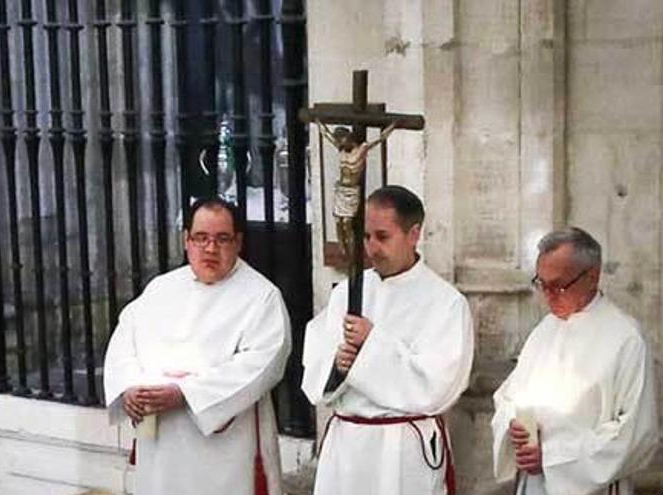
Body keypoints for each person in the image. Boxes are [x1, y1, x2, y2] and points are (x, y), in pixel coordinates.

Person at [103, 197, 291, 495]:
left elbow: (264, 365)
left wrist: (186, 394)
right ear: (186, 240)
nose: (211, 248)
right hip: (162, 446)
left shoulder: (262, 296)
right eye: (201, 238)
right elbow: (123, 343)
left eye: (222, 239)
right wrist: (129, 388)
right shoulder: (160, 289)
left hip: (227, 450)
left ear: (238, 242)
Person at [301, 185, 475, 495]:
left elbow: (438, 386)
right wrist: (337, 367)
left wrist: (371, 344)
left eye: (383, 237)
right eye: (367, 237)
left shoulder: (445, 302)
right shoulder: (346, 292)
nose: (372, 247)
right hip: (347, 448)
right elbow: (316, 367)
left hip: (402, 449)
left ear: (413, 234)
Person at [491, 227, 659, 495]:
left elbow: (637, 434)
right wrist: (513, 424)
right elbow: (509, 397)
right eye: (541, 284)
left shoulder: (625, 338)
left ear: (592, 276)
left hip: (588, 486)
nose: (548, 295)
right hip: (533, 484)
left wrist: (553, 458)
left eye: (558, 286)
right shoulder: (545, 329)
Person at [317, 121, 396, 261]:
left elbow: (379, 139)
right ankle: (343, 249)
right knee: (338, 221)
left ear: (349, 139)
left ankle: (352, 251)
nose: (341, 143)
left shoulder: (361, 150)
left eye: (343, 140)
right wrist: (318, 122)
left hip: (352, 191)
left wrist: (392, 126)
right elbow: (327, 136)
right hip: (341, 188)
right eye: (340, 141)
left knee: (347, 222)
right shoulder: (342, 150)